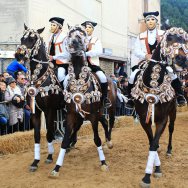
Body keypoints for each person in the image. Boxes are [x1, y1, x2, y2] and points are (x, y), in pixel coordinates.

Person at [126, 11, 186, 108]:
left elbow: (169, 47)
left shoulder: (164, 34)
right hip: (145, 62)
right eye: (148, 20)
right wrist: (145, 55)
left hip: (162, 62)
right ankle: (130, 99)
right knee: (133, 76)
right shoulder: (140, 36)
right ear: (145, 22)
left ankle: (180, 96)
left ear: (156, 22)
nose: (150, 21)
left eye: (152, 19)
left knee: (172, 73)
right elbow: (136, 50)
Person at [81, 21, 111, 108]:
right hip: (81, 65)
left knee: (102, 77)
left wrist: (87, 53)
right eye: (86, 27)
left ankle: (105, 98)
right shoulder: (80, 39)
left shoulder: (96, 39)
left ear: (92, 29)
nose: (87, 29)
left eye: (89, 27)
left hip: (93, 65)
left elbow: (99, 51)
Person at [48, 17, 69, 88]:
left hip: (62, 63)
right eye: (51, 25)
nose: (51, 27)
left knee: (60, 75)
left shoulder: (65, 37)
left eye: (53, 25)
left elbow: (67, 54)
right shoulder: (51, 36)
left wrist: (53, 57)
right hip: (50, 62)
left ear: (59, 27)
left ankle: (64, 92)